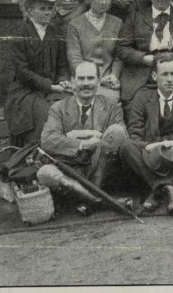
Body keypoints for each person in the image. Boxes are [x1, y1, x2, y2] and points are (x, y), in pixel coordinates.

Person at [37, 61, 130, 215]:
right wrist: (83, 142)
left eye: (90, 78)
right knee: (44, 172)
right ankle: (99, 201)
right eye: (81, 79)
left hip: (100, 167)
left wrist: (68, 137)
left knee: (116, 130)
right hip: (69, 169)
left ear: (98, 81)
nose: (86, 83)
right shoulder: (58, 108)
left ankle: (89, 197)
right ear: (73, 82)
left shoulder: (111, 105)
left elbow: (121, 136)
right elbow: (47, 140)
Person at [119, 52, 173, 215]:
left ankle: (158, 189)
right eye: (165, 74)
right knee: (126, 146)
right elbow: (135, 134)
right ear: (155, 75)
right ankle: (170, 188)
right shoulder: (142, 98)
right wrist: (153, 146)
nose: (169, 79)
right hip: (151, 154)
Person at [4, 0, 71, 145]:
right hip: (24, 91)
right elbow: (23, 72)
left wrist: (63, 79)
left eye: (50, 8)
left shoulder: (55, 32)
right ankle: (36, 152)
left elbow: (62, 64)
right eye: (42, 8)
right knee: (45, 113)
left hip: (51, 89)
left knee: (71, 107)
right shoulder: (20, 34)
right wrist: (51, 86)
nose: (48, 12)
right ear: (29, 10)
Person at [65, 0, 124, 102]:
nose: (103, 2)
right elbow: (74, 58)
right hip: (83, 79)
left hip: (108, 81)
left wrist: (114, 76)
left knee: (110, 100)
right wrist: (92, 78)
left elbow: (119, 55)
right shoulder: (75, 25)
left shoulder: (117, 23)